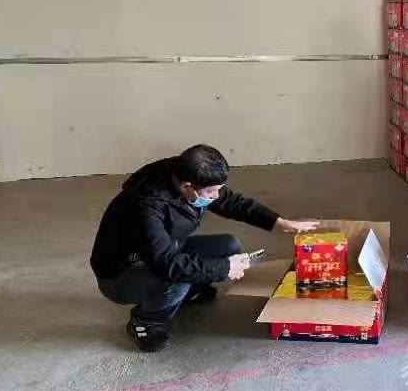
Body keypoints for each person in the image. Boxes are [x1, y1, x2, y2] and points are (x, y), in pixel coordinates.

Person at [90, 144, 318, 352]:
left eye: (219, 189)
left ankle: (184, 293)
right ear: (187, 187)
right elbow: (166, 264)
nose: (216, 197)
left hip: (163, 250)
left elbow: (232, 202)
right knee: (179, 278)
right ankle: (146, 322)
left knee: (228, 246)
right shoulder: (146, 207)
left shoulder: (183, 173)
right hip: (122, 274)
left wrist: (280, 223)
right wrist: (224, 268)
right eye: (211, 192)